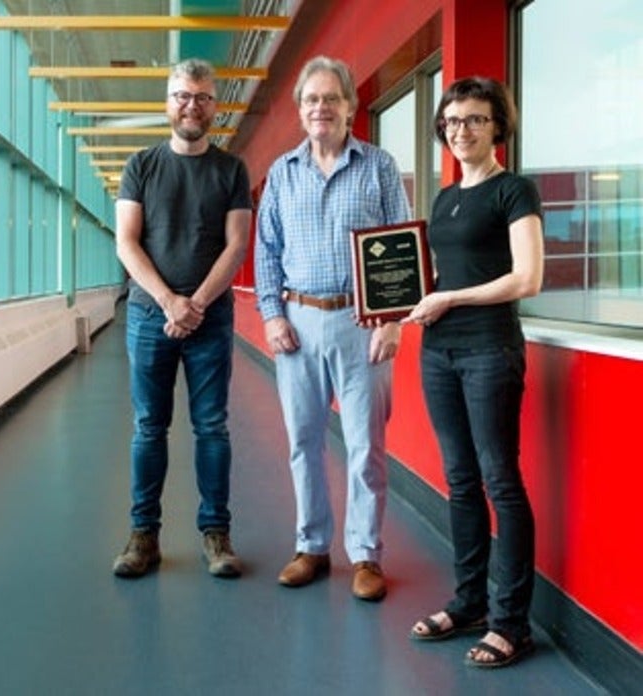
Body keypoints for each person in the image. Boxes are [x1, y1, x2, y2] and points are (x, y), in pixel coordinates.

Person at [254, 55, 411, 601]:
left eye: (331, 98)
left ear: (351, 107)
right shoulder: (282, 174)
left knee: (366, 445)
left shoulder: (379, 167)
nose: (321, 107)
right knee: (303, 442)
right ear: (301, 111)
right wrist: (272, 315)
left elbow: (400, 246)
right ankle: (312, 546)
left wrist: (392, 320)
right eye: (312, 99)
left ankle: (365, 554)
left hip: (359, 322)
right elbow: (267, 252)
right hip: (297, 322)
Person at [405, 77, 543, 668]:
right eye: (453, 121)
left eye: (475, 120)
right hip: (438, 352)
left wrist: (449, 299)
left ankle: (511, 622)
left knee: (500, 483)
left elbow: (526, 278)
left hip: (489, 350)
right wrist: (399, 305)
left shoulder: (514, 191)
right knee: (460, 481)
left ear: (498, 128)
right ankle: (469, 604)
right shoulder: (445, 198)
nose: (461, 130)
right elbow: (439, 274)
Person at [112, 58, 252, 579]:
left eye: (202, 96)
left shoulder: (230, 169)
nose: (192, 105)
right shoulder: (141, 165)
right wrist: (171, 302)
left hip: (210, 321)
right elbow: (127, 242)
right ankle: (143, 535)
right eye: (182, 95)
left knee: (212, 426)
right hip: (150, 317)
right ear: (168, 103)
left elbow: (237, 245)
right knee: (149, 426)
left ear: (215, 105)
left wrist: (194, 305)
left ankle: (216, 534)